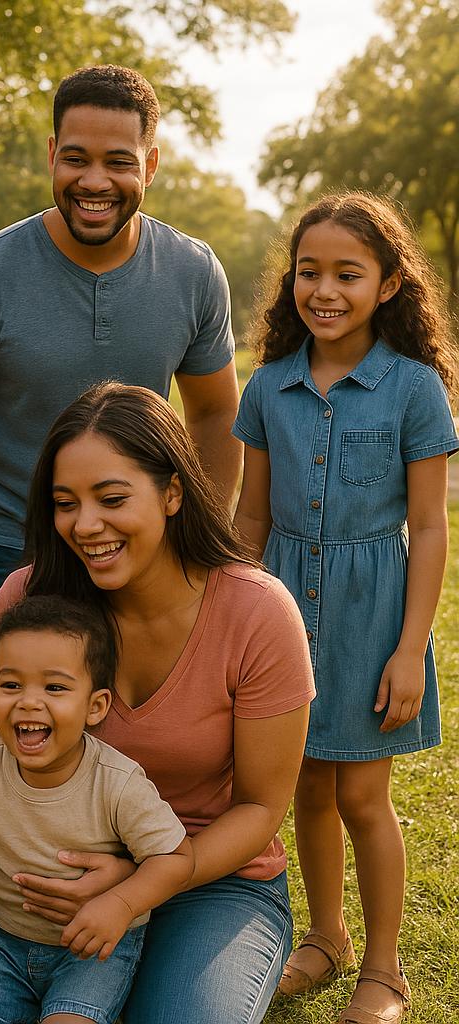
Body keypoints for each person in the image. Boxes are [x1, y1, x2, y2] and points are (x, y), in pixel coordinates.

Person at [0, 382, 314, 1023]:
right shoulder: (30, 597)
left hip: (209, 881)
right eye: (65, 504)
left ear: (171, 493)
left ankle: (105, 991)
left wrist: (136, 885)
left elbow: (259, 808)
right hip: (46, 862)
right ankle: (42, 982)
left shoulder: (257, 611)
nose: (85, 526)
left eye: (112, 499)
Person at [0, 63, 242, 705]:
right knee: (13, 753)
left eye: (118, 161)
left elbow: (215, 416)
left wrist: (204, 549)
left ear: (151, 164)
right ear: (51, 155)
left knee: (135, 745)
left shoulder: (194, 274)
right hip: (7, 551)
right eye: (76, 158)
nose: (94, 181)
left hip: (139, 548)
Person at [233, 192, 458, 1024]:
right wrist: (229, 616)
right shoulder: (267, 387)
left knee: (364, 799)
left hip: (374, 621)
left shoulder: (414, 389)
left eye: (348, 274)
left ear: (391, 282)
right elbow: (251, 516)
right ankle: (324, 940)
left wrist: (410, 650)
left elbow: (429, 527)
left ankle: (385, 970)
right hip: (282, 614)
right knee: (308, 791)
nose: (324, 290)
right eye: (309, 271)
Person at [0, 594, 192, 1024]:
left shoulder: (117, 781)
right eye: (11, 685)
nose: (29, 702)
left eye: (54, 687)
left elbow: (176, 858)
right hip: (1, 944)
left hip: (95, 950)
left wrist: (122, 905)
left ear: (96, 706)